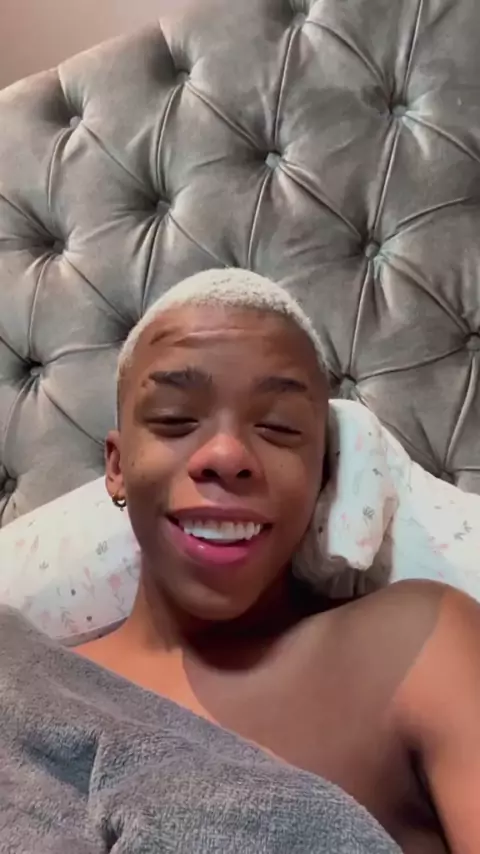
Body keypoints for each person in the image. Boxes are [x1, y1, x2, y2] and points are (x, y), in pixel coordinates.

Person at [76, 268, 480, 854]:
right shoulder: (31, 680)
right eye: (174, 420)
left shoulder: (418, 648)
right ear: (116, 467)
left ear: (323, 473)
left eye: (278, 427)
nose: (226, 455)